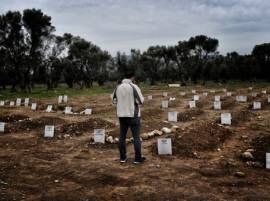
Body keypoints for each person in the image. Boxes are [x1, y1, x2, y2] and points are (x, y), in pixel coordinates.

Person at [112, 72, 145, 164]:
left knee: (122, 136)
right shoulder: (134, 86)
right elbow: (140, 101)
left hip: (122, 115)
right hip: (133, 115)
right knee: (136, 137)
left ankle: (122, 158)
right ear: (133, 77)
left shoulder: (118, 87)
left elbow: (114, 100)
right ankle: (137, 159)